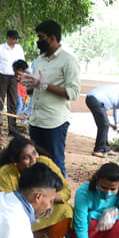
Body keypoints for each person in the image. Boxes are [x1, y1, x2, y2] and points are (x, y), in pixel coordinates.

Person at [21, 20, 80, 178]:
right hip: (36, 121)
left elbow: (74, 93)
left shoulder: (68, 60)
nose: (38, 41)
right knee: (37, 162)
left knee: (56, 163)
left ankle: (59, 193)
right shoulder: (39, 60)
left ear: (52, 38)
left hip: (55, 122)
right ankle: (41, 193)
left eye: (41, 37)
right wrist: (30, 85)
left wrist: (46, 85)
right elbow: (33, 90)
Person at [0, 136, 72, 238]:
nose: (34, 160)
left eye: (34, 153)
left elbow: (66, 190)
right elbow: (7, 205)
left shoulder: (45, 162)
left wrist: (49, 200)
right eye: (26, 158)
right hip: (20, 215)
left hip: (45, 210)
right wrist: (36, 205)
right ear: (15, 161)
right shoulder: (6, 173)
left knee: (65, 210)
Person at [0, 29, 25, 135]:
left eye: (17, 39)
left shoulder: (19, 49)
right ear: (9, 38)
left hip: (14, 78)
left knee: (13, 103)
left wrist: (21, 76)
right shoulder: (0, 48)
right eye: (15, 39)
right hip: (2, 76)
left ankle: (12, 129)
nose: (16, 41)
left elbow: (22, 63)